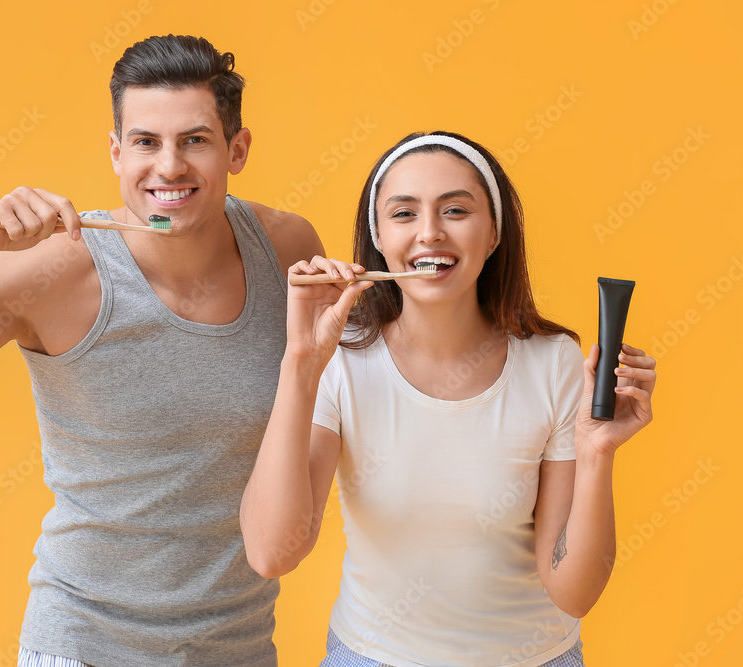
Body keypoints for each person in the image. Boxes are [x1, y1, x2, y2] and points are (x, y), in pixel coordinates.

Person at [0, 35, 323, 667]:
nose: (168, 166)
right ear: (117, 153)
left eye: (194, 140)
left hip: (239, 648)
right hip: (84, 644)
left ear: (238, 148)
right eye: (145, 142)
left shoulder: (285, 246)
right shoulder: (55, 271)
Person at [240, 131, 657, 666]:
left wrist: (598, 451)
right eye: (404, 214)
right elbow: (272, 552)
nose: (430, 233)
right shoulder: (339, 361)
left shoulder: (552, 362)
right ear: (379, 238)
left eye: (456, 210)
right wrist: (301, 362)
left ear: (494, 235)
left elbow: (574, 592)